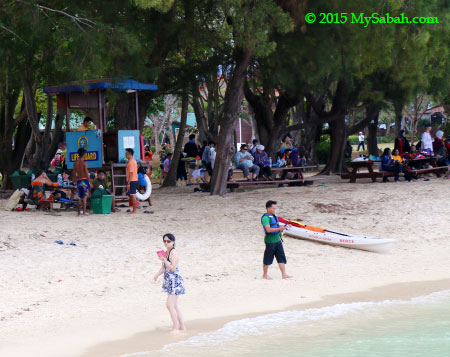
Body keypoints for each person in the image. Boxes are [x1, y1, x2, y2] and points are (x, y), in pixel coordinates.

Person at [153, 233, 186, 333]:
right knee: (174, 305)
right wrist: (157, 275)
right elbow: (164, 267)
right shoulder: (166, 252)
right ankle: (182, 327)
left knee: (169, 305)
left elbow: (172, 268)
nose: (166, 243)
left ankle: (176, 328)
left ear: (173, 242)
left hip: (175, 281)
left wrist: (164, 260)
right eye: (164, 241)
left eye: (168, 241)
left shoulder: (174, 253)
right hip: (169, 281)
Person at [261, 201, 292, 280]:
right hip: (270, 241)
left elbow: (277, 226)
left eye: (275, 208)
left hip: (278, 240)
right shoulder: (265, 218)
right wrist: (279, 228)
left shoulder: (274, 216)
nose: (275, 209)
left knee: (281, 256)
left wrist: (285, 226)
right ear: (268, 208)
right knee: (268, 257)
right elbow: (268, 230)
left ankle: (284, 274)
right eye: (273, 208)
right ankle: (264, 275)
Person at [73, 148, 91, 215]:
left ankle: (78, 213)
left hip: (78, 180)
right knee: (85, 197)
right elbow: (86, 172)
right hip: (84, 180)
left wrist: (75, 180)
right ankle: (83, 212)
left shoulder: (75, 163)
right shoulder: (84, 163)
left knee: (80, 197)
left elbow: (74, 173)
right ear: (84, 154)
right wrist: (89, 180)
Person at [126, 148, 138, 214]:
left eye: (126, 153)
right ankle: (134, 208)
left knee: (132, 194)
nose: (125, 155)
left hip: (132, 180)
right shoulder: (133, 161)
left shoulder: (131, 162)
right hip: (134, 179)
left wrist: (128, 182)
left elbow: (131, 173)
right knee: (130, 193)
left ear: (129, 154)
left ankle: (134, 210)